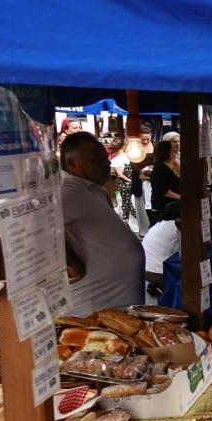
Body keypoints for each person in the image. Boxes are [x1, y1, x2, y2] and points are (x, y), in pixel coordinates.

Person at [60, 133, 145, 316]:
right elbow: (35, 225)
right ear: (71, 164)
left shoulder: (93, 190)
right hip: (93, 312)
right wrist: (70, 262)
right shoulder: (70, 191)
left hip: (113, 309)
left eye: (105, 159)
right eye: (95, 160)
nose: (106, 164)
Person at [142, 202, 180, 294]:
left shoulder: (157, 225)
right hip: (159, 273)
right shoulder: (177, 226)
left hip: (143, 270)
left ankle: (158, 286)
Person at [147, 139, 180, 227]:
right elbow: (163, 190)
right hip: (163, 207)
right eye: (172, 150)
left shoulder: (167, 166)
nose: (174, 153)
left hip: (168, 206)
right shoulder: (160, 168)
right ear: (166, 152)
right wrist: (180, 197)